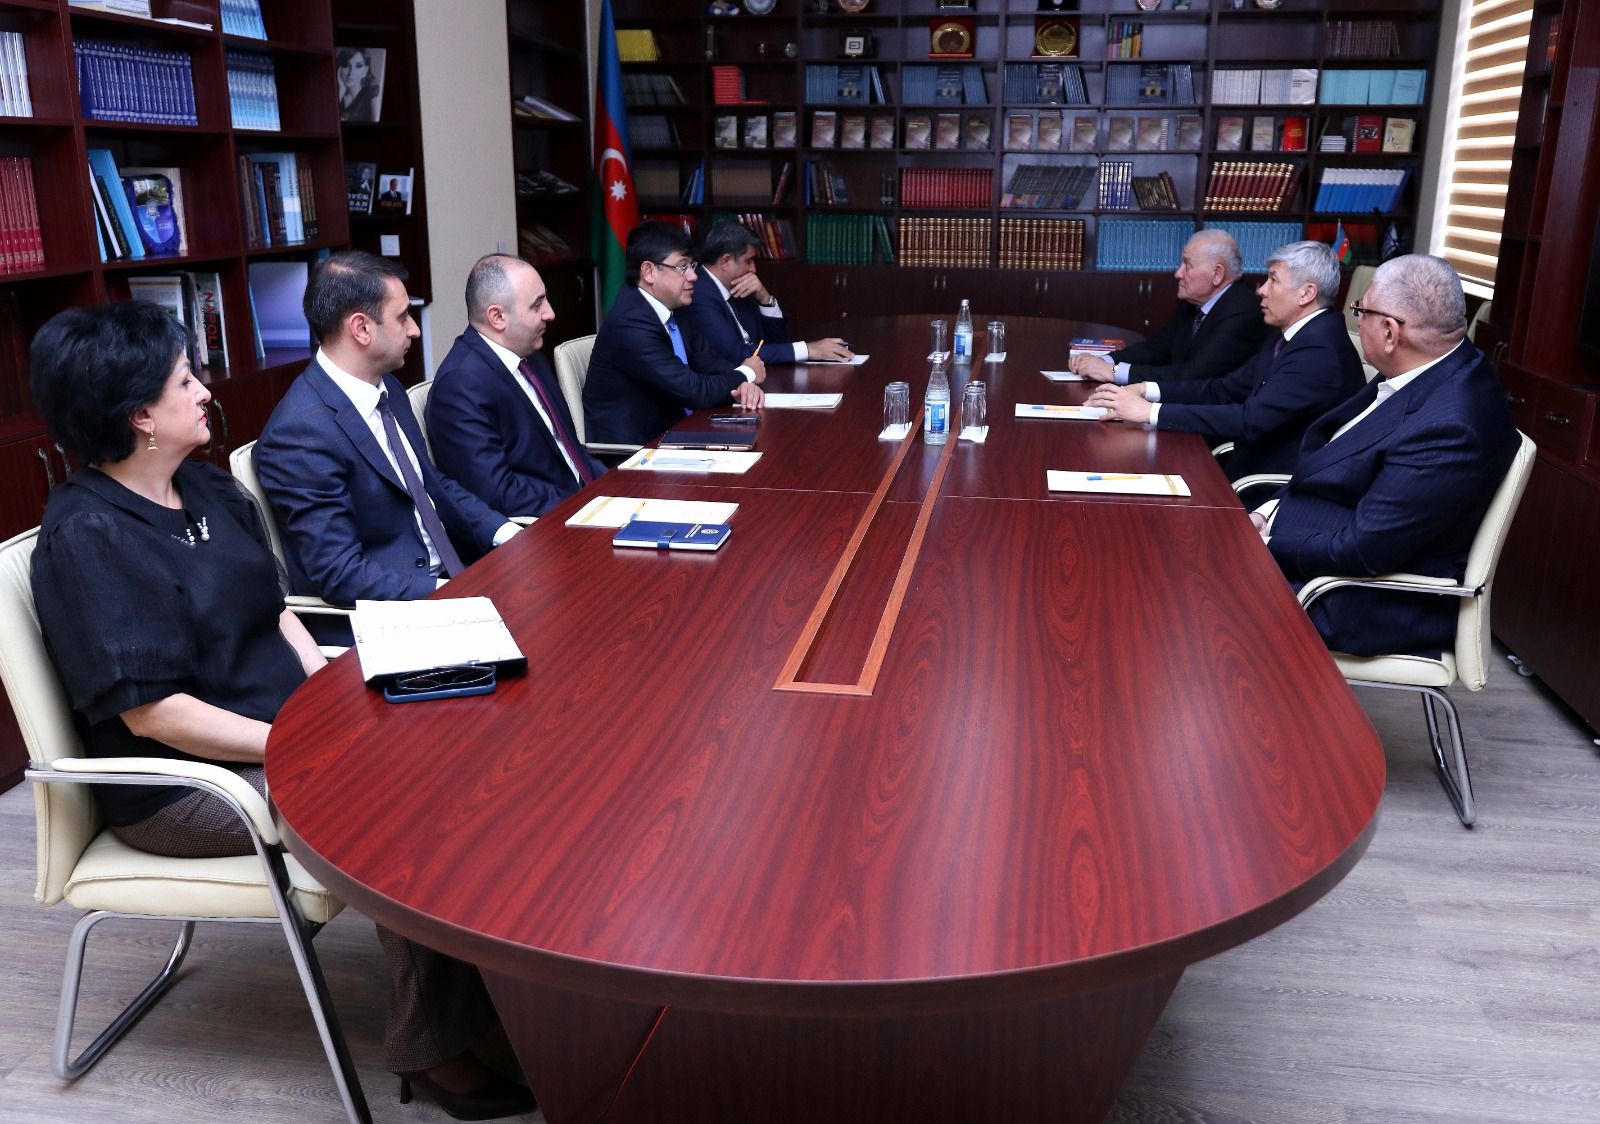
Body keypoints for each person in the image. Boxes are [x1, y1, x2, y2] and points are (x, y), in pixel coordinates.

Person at [26, 301, 535, 1120]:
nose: (205, 390)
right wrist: (304, 743)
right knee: (398, 805)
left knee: (459, 739)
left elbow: (276, 608)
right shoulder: (88, 537)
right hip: (181, 783)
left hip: (286, 730)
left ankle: (503, 998)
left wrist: (332, 689)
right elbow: (155, 717)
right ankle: (435, 1048)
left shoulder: (203, 485)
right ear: (138, 416)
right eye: (184, 381)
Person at [1253, 254, 1520, 658]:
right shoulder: (1427, 365)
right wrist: (1268, 512)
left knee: (1196, 594)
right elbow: (1335, 466)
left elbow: (1363, 550)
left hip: (1356, 598)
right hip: (1322, 545)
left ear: (1391, 333)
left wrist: (1264, 543)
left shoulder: (1450, 427)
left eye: (1360, 311)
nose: (1355, 321)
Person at [255, 251, 519, 604]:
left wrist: (509, 533)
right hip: (395, 610)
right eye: (403, 316)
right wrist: (450, 593)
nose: (414, 329)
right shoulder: (299, 435)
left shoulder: (386, 387)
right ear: (361, 328)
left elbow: (429, 483)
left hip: (454, 576)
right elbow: (340, 573)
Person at [1086, 240, 1366, 481]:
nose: (1261, 290)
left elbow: (1249, 420)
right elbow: (1224, 389)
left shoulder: (1319, 351)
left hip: (1268, 487)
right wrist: (1146, 389)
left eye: (1273, 280)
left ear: (1306, 293)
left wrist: (1150, 412)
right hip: (1244, 464)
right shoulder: (1291, 334)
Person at [427, 254, 604, 518]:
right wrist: (584, 503)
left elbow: (571, 451)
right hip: (544, 526)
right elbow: (500, 494)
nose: (550, 313)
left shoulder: (529, 354)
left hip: (585, 505)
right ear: (497, 317)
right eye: (537, 305)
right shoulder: (459, 386)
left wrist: (614, 486)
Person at [584, 221, 765, 446]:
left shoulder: (676, 307)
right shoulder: (630, 324)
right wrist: (747, 372)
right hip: (637, 450)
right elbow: (695, 391)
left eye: (692, 265)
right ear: (649, 272)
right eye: (682, 267)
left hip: (679, 431)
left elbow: (710, 364)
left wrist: (742, 383)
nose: (693, 276)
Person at [1070, 229, 1270, 386]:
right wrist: (1105, 360)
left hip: (1210, 418)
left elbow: (1193, 375)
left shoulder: (1242, 312)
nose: (1178, 274)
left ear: (1217, 274)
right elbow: (1155, 350)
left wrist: (1113, 372)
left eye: (1187, 265)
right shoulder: (1194, 301)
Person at [676, 219, 853, 366]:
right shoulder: (699, 293)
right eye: (749, 261)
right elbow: (738, 354)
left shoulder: (739, 286)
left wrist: (764, 297)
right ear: (726, 262)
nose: (753, 269)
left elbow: (778, 344)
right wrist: (809, 349)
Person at [336, 47, 381, 123]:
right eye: (346, 65)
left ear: (365, 70)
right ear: (339, 69)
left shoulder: (372, 92)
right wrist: (340, 92)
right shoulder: (335, 93)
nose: (351, 72)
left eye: (358, 66)